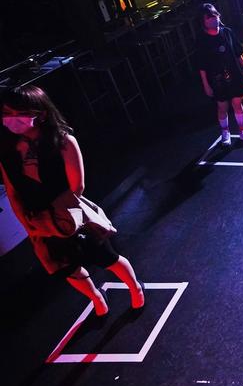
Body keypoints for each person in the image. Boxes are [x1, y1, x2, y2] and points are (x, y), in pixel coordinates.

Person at [0, 85, 145, 317]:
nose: (13, 119)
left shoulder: (64, 142)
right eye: (8, 113)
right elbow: (12, 192)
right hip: (38, 222)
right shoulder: (8, 150)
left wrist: (58, 218)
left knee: (107, 257)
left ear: (41, 113)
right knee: (66, 268)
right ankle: (97, 299)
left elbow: (77, 186)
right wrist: (30, 227)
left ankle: (135, 289)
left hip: (70, 215)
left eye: (21, 113)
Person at [196, 3, 243, 147]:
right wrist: (206, 84)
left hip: (234, 73)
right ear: (203, 22)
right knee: (222, 107)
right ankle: (225, 132)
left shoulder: (227, 32)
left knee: (237, 103)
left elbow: (238, 54)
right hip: (216, 77)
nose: (213, 19)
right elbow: (201, 64)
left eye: (214, 16)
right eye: (209, 18)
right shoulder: (202, 39)